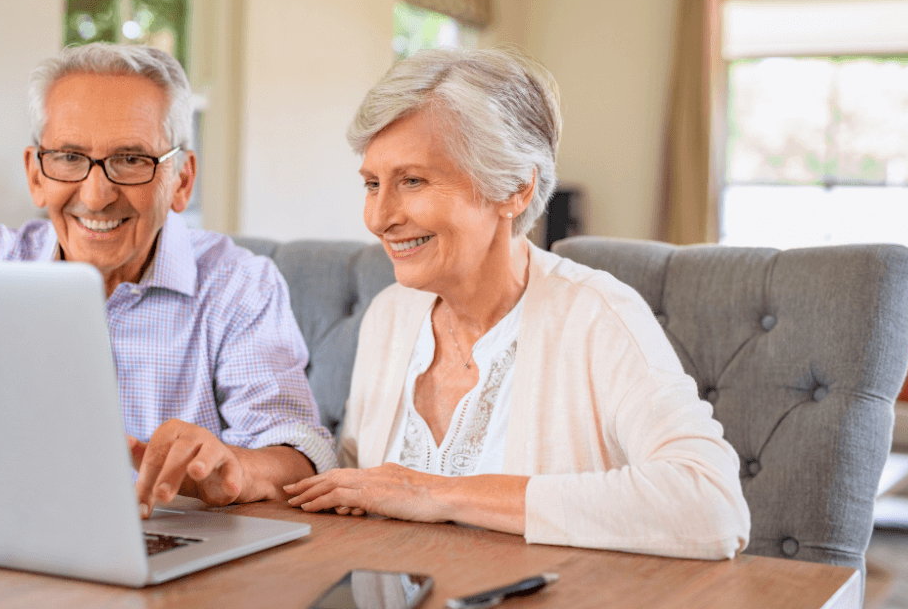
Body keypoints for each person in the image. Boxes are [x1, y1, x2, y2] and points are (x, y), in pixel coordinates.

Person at [284, 47, 750, 559]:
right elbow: (365, 483)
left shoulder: (598, 316)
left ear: (515, 188)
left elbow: (713, 504)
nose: (379, 216)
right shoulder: (390, 315)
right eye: (373, 184)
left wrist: (433, 494)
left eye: (412, 181)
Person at [0, 43, 336, 518]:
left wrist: (235, 471)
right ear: (36, 174)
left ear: (182, 181)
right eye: (67, 156)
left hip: (170, 559)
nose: (97, 195)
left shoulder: (239, 286)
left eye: (131, 160)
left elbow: (299, 453)